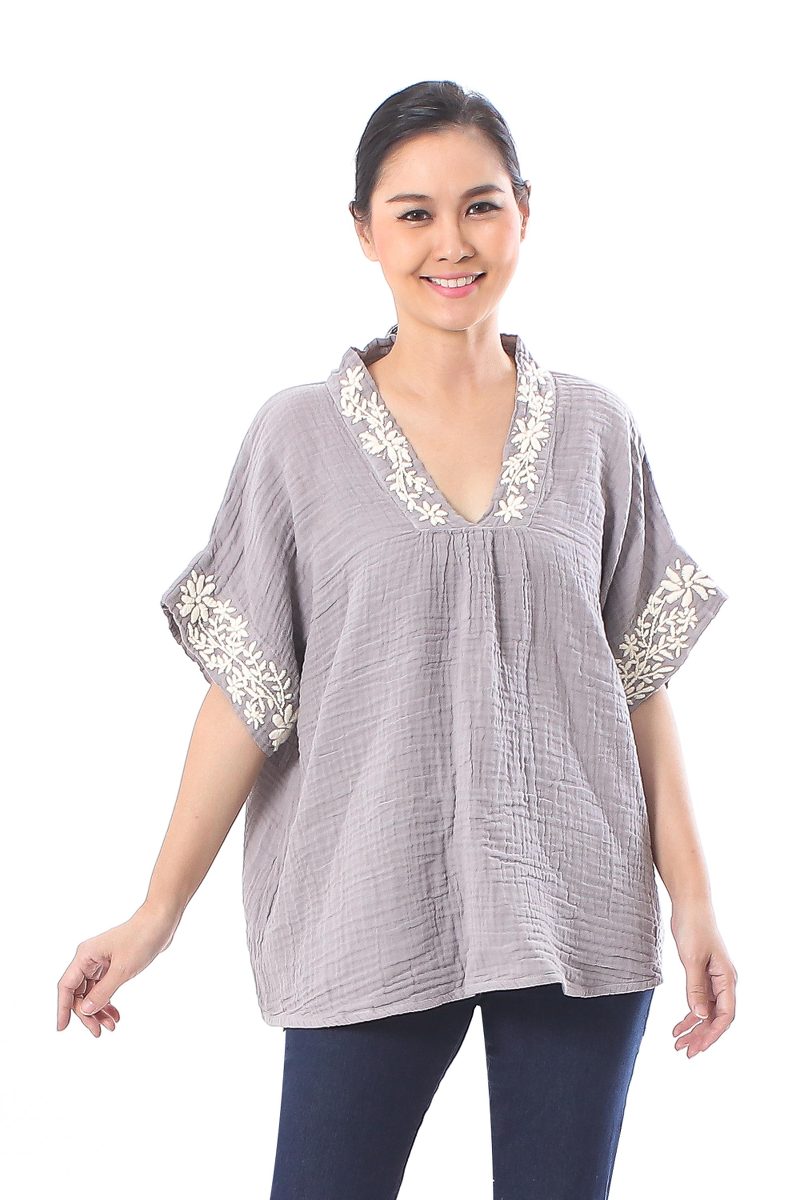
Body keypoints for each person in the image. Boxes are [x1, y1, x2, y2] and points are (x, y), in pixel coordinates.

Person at [56, 80, 738, 1199]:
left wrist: (695, 900)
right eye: (414, 213)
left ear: (524, 212)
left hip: (575, 907)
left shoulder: (599, 432)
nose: (450, 242)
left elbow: (636, 687)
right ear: (365, 231)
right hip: (365, 902)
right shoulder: (296, 437)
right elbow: (245, 694)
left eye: (480, 206)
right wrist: (156, 912)